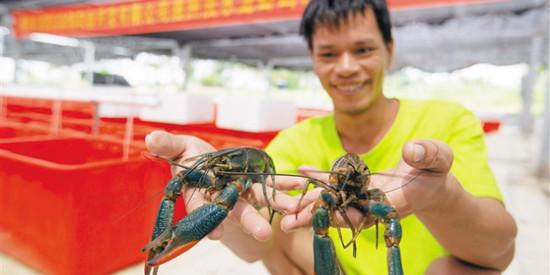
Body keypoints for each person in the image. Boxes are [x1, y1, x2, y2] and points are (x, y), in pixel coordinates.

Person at [145, 0, 517, 274]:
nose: (346, 67)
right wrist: (224, 214)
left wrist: (441, 195)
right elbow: (256, 242)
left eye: (363, 49)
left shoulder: (446, 120)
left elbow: (498, 251)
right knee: (287, 234)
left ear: (389, 51)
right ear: (313, 60)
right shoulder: (293, 142)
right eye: (328, 53)